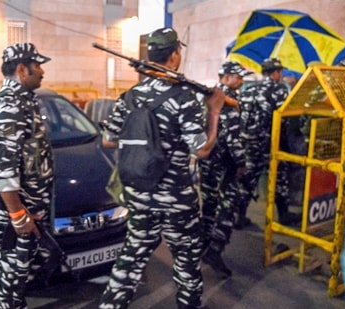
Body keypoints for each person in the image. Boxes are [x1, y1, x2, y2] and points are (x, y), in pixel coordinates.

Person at [99, 27, 225, 309]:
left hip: (139, 196)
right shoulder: (184, 98)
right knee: (186, 263)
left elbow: (109, 141)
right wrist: (214, 111)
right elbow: (202, 149)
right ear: (174, 56)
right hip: (176, 201)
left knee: (131, 260)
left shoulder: (129, 97)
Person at [0, 42, 54, 309]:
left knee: (18, 270)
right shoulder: (9, 106)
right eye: (37, 66)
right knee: (13, 276)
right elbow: (3, 170)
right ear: (21, 69)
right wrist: (18, 216)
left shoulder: (23, 100)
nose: (42, 72)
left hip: (28, 207)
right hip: (15, 212)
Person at [199, 61, 249, 278]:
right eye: (238, 76)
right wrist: (241, 163)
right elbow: (231, 137)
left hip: (207, 161)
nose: (242, 80)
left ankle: (202, 245)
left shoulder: (209, 95)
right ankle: (215, 249)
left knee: (208, 205)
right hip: (224, 164)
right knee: (228, 206)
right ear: (227, 77)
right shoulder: (228, 101)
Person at [237, 58, 301, 226]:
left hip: (249, 143)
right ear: (275, 73)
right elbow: (284, 121)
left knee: (248, 179)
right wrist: (286, 147)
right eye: (280, 72)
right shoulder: (279, 90)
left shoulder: (249, 89)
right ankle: (284, 214)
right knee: (280, 178)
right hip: (271, 143)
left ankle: (239, 215)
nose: (281, 75)